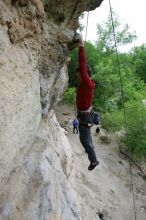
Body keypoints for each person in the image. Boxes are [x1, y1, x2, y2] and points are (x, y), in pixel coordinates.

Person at [76, 35, 99, 171]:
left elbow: (83, 64)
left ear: (85, 75)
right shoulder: (86, 84)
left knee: (84, 140)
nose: (78, 76)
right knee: (87, 139)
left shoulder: (86, 82)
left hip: (85, 116)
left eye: (79, 74)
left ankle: (94, 160)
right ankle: (91, 152)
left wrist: (81, 45)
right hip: (86, 115)